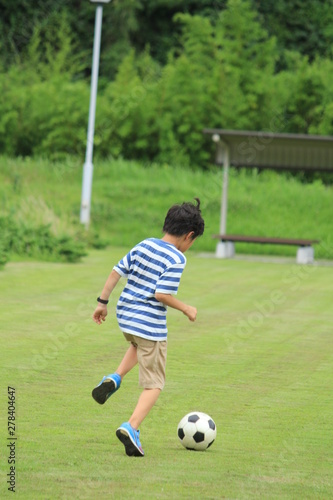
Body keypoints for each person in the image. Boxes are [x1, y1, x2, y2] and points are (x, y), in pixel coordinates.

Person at [91, 198, 205, 457]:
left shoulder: (144, 244)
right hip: (148, 323)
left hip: (126, 317)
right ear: (189, 236)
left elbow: (116, 271)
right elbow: (162, 294)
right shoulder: (177, 258)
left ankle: (115, 378)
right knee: (155, 383)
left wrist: (102, 303)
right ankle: (131, 427)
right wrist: (186, 308)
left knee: (136, 344)